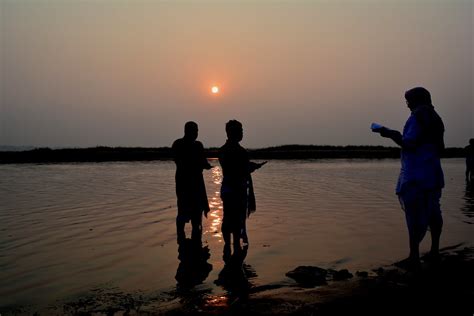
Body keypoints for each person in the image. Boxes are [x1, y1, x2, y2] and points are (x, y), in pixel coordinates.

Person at [376, 87, 445, 269]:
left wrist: (390, 133)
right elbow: (441, 148)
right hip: (432, 173)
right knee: (433, 212)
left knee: (414, 214)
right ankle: (434, 251)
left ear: (417, 100)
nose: (407, 104)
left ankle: (414, 256)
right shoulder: (436, 119)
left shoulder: (417, 117)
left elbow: (409, 143)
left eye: (409, 100)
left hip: (415, 174)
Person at [219, 120, 266, 253]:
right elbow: (239, 170)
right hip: (236, 189)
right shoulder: (240, 151)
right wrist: (252, 167)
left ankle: (228, 247)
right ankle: (233, 246)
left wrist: (248, 167)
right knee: (236, 218)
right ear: (232, 132)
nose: (242, 133)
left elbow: (236, 168)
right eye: (240, 130)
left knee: (228, 217)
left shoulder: (222, 150)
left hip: (228, 188)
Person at [172, 121, 212, 244]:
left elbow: (203, 162)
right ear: (186, 131)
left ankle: (192, 242)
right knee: (182, 212)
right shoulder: (178, 144)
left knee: (196, 215)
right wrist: (201, 165)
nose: (196, 133)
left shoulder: (198, 145)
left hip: (196, 184)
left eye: (197, 131)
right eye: (194, 131)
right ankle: (182, 238)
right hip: (185, 185)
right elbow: (180, 162)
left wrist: (206, 165)